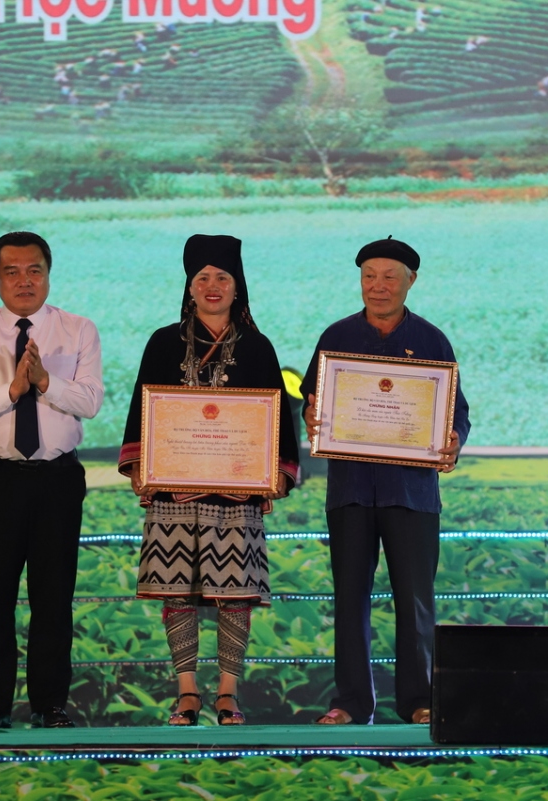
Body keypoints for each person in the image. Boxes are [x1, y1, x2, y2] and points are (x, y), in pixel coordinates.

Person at [119, 234, 299, 726]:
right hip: (175, 489)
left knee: (234, 594)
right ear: (189, 287)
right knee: (178, 593)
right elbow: (141, 409)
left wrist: (276, 476)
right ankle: (186, 693)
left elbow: (279, 418)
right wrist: (141, 469)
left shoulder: (259, 347)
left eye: (223, 278)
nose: (213, 286)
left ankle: (227, 693)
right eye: (203, 278)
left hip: (235, 492)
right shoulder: (162, 342)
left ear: (238, 287)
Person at [300, 235, 469, 726]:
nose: (378, 286)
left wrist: (453, 437)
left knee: (414, 599)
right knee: (349, 598)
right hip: (351, 490)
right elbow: (315, 398)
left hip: (411, 493)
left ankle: (419, 700)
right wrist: (313, 411)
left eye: (390, 276)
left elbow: (456, 409)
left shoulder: (433, 340)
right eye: (369, 276)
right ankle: (351, 702)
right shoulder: (336, 337)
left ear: (411, 281)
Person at [0, 231, 104, 729]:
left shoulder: (79, 330)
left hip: (57, 478)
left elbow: (90, 401)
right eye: (11, 271)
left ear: (49, 275)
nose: (24, 280)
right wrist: (12, 390)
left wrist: (44, 383)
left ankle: (50, 704)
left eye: (34, 270)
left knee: (53, 596)